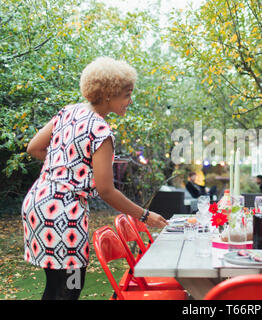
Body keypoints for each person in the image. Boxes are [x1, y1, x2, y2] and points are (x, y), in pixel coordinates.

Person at [22, 57, 168, 300]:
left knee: (55, 284)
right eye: (127, 94)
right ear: (109, 94)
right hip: (64, 213)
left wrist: (62, 171)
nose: (130, 101)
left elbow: (34, 148)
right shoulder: (101, 130)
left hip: (38, 203)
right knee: (72, 285)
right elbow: (106, 190)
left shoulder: (67, 112)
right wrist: (144, 215)